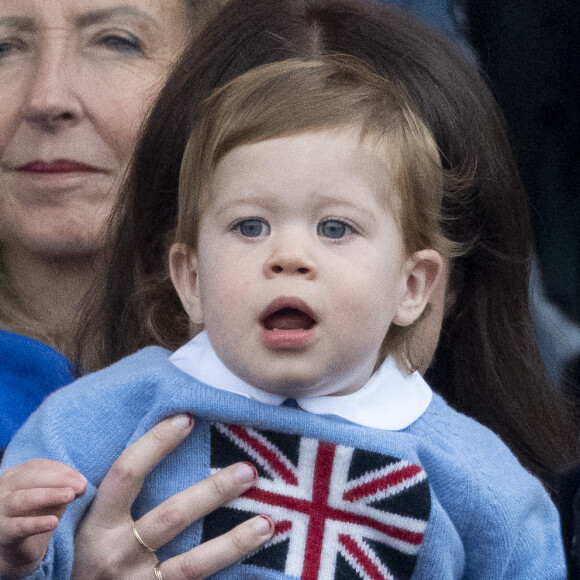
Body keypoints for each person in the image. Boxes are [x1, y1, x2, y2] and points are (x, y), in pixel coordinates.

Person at [0, 57, 565, 579]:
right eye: (250, 227)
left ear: (411, 287)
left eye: (335, 228)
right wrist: (17, 550)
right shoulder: (119, 409)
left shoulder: (469, 471)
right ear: (191, 281)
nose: (288, 256)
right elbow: (33, 533)